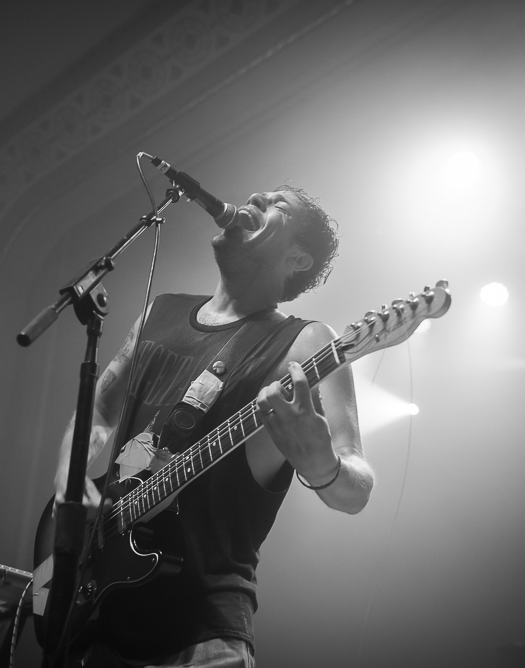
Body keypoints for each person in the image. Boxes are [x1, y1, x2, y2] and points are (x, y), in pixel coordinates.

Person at [52, 187, 374, 666]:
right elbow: (99, 412)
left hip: (203, 635)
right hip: (100, 617)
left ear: (298, 258)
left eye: (277, 205)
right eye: (258, 194)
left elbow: (357, 489)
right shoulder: (159, 311)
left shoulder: (307, 342)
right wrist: (70, 479)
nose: (257, 197)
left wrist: (320, 463)